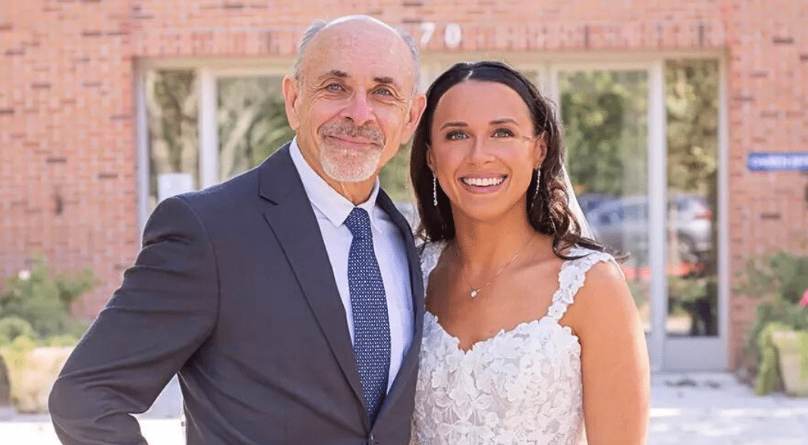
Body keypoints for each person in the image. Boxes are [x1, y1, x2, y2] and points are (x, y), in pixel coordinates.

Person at [49, 15, 427, 444]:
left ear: (411, 117)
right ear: (294, 100)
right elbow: (85, 400)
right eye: (335, 87)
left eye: (383, 92)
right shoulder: (208, 231)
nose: (359, 114)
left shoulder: (409, 237)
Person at [408, 61, 650, 444]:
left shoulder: (592, 285)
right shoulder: (406, 274)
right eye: (456, 135)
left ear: (540, 149)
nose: (479, 155)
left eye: (502, 132)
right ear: (431, 156)